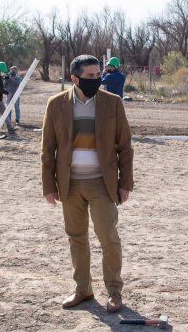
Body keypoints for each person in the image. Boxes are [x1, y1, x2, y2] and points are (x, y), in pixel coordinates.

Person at [41, 54, 134, 313]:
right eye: (91, 76)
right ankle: (83, 289)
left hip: (102, 184)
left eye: (98, 75)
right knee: (76, 238)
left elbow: (125, 147)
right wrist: (49, 185)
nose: (97, 80)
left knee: (108, 238)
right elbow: (47, 149)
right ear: (75, 78)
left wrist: (125, 183)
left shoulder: (112, 103)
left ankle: (114, 291)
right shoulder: (56, 104)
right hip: (69, 185)